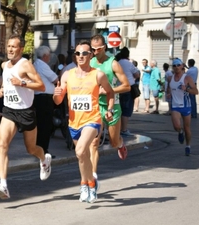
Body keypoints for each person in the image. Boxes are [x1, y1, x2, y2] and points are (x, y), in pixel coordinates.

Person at [54, 40, 114, 203]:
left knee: (80, 150)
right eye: (78, 53)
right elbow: (59, 101)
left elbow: (110, 93)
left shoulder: (98, 74)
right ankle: (90, 183)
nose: (80, 56)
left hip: (93, 120)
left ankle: (84, 185)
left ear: (91, 55)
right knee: (83, 156)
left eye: (84, 53)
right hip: (74, 122)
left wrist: (109, 110)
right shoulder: (67, 74)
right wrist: (56, 93)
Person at [0, 34, 52, 200]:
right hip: (10, 110)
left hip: (26, 111)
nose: (10, 49)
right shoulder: (5, 65)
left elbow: (41, 85)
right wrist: (3, 89)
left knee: (31, 149)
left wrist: (22, 83)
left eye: (14, 46)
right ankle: (3, 184)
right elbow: (6, 81)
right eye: (9, 46)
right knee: (2, 144)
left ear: (21, 49)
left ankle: (44, 159)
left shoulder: (25, 64)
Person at [90, 34, 130, 183]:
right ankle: (93, 176)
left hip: (112, 105)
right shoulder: (90, 62)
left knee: (113, 141)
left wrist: (109, 90)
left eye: (98, 49)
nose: (95, 52)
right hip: (95, 106)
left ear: (104, 47)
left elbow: (126, 86)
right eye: (93, 49)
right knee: (94, 142)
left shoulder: (113, 63)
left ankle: (120, 144)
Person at [166, 58, 199, 156]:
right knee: (176, 126)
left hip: (186, 106)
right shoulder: (170, 78)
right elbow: (169, 89)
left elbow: (196, 91)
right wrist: (168, 94)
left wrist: (187, 88)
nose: (176, 67)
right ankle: (180, 132)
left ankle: (188, 146)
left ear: (182, 66)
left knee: (187, 128)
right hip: (175, 106)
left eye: (178, 65)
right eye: (174, 66)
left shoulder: (187, 78)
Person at [33, 46, 59, 157]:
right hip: (44, 98)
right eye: (48, 56)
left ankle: (40, 148)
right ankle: (43, 150)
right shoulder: (42, 65)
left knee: (41, 125)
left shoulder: (36, 64)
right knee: (45, 125)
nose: (49, 58)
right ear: (45, 56)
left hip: (40, 98)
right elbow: (55, 79)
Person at [115, 47, 140, 136]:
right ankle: (124, 130)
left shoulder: (116, 63)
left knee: (118, 109)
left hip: (117, 88)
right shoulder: (129, 64)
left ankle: (117, 129)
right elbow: (137, 74)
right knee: (126, 110)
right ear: (128, 55)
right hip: (128, 89)